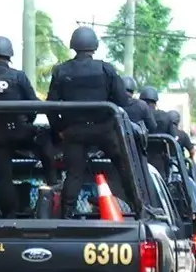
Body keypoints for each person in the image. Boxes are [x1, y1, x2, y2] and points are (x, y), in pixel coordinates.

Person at [46, 26, 136, 218]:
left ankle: (66, 216)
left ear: (73, 45)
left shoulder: (61, 71)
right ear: (94, 46)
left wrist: (60, 130)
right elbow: (123, 101)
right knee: (124, 167)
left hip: (74, 132)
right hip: (104, 130)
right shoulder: (106, 69)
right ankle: (138, 208)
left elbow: (50, 106)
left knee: (75, 174)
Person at [0, 35, 56, 217]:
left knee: (4, 177)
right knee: (45, 140)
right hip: (19, 132)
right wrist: (26, 123)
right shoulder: (17, 76)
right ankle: (53, 182)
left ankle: (9, 216)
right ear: (9, 55)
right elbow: (33, 105)